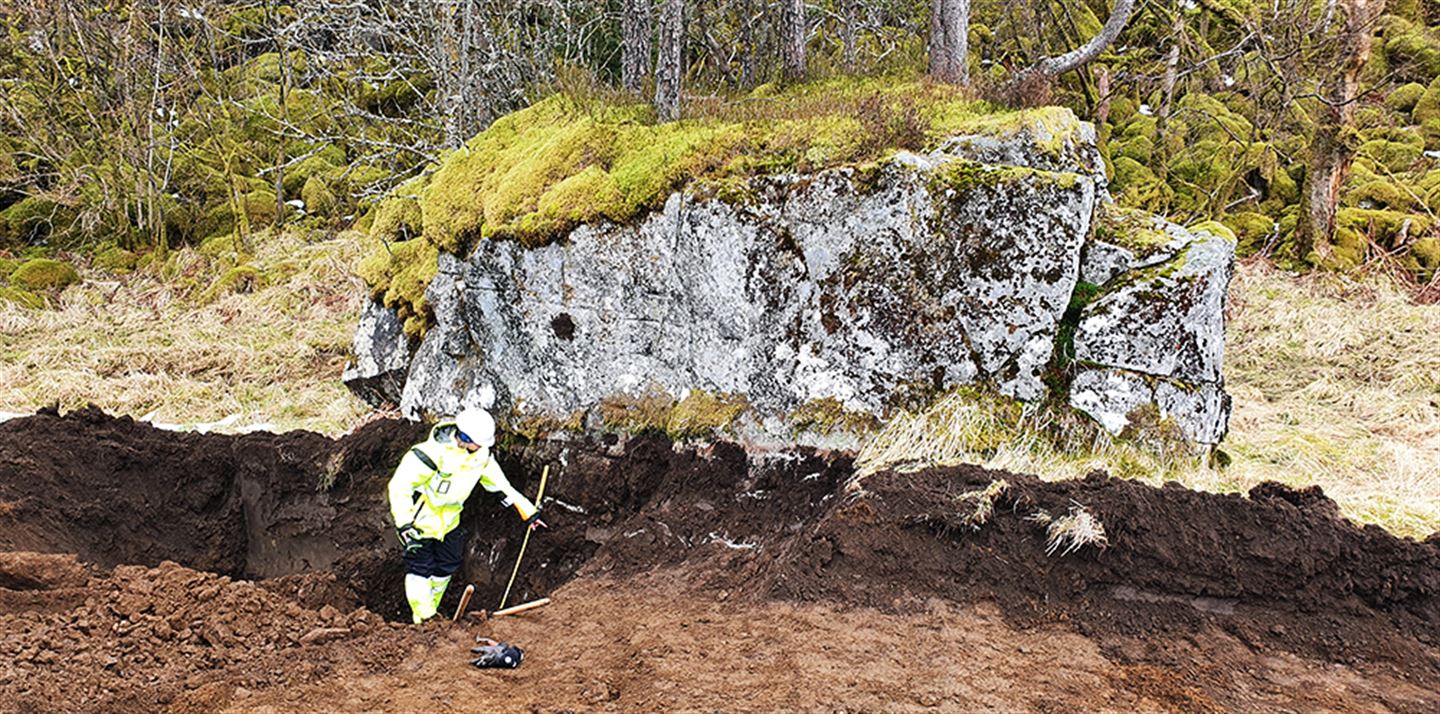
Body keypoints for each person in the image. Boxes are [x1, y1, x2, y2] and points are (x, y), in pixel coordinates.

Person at [388, 407, 546, 623]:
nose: (483, 446)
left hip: (450, 524)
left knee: (447, 565)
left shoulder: (480, 457)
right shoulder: (428, 455)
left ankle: (432, 614)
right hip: (418, 525)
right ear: (463, 436)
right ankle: (424, 621)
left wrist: (529, 513)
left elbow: (501, 486)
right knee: (420, 570)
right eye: (478, 442)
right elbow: (400, 487)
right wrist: (405, 525)